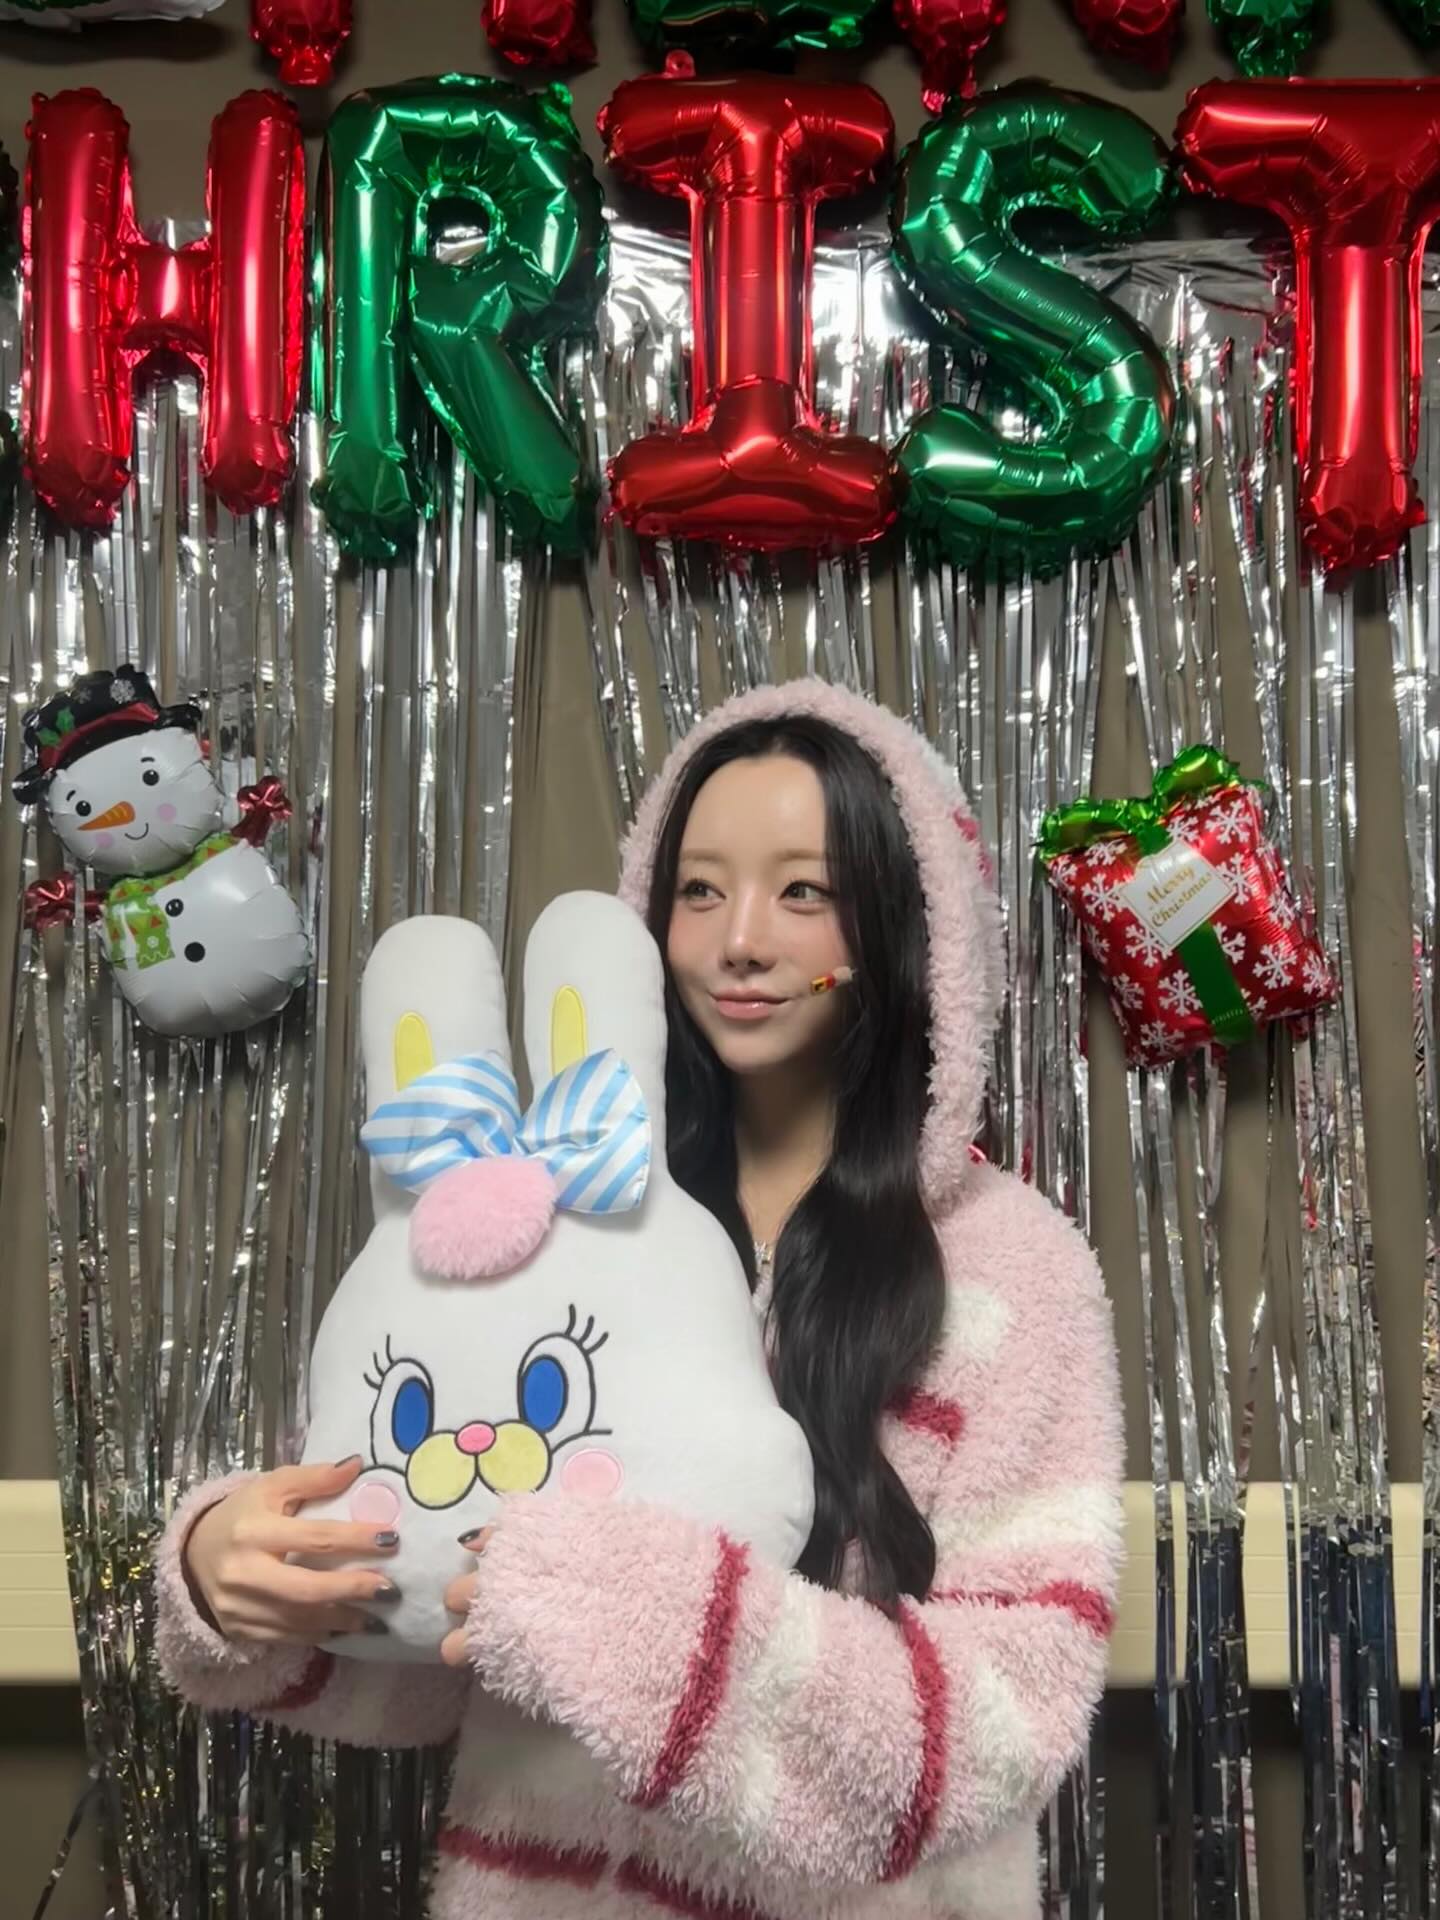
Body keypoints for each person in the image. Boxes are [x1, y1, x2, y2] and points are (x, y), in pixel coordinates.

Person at [155, 679, 1124, 1920]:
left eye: (805, 892)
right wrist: (246, 1582)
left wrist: (660, 1627)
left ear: (900, 919)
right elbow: (433, 1661)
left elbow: (1009, 1720)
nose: (738, 943)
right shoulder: (556, 1222)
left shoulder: (1011, 1270)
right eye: (699, 891)